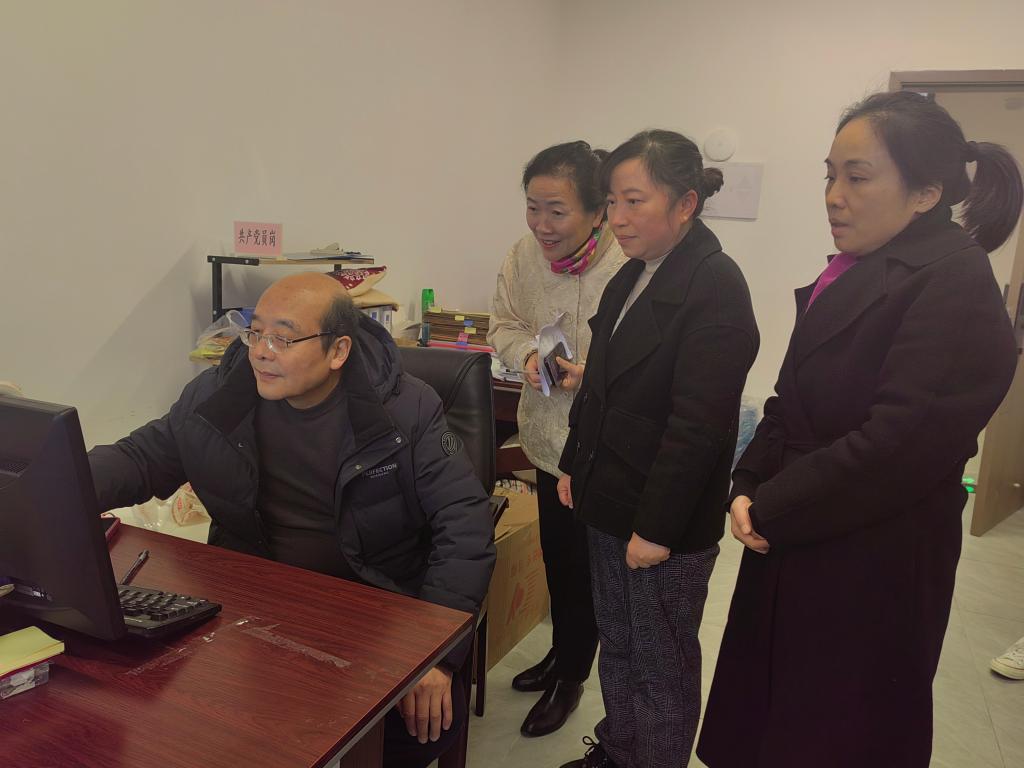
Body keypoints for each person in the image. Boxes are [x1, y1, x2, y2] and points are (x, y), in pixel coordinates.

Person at [697, 91, 1023, 768]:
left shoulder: (954, 282)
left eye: (858, 177)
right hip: (803, 521)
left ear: (926, 193)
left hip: (872, 554)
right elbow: (790, 397)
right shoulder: (854, 265)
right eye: (830, 174)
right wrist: (747, 478)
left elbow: (895, 444)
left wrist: (772, 503)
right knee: (772, 714)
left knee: (835, 729)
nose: (833, 196)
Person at [88, 272, 496, 768]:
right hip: (250, 600)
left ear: (338, 351)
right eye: (255, 333)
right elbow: (140, 457)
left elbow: (465, 521)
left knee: (408, 734)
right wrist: (58, 483)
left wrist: (436, 654)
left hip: (372, 608)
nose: (262, 352)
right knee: (162, 709)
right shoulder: (220, 395)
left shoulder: (405, 410)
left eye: (283, 338)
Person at [557, 130, 759, 768]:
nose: (616, 218)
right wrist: (572, 467)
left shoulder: (714, 284)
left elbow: (699, 426)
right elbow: (599, 383)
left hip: (659, 522)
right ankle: (620, 751)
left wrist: (656, 529)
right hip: (609, 499)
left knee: (660, 666)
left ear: (685, 203)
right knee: (618, 646)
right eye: (612, 201)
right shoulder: (634, 274)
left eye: (634, 201)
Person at [489, 140, 627, 737]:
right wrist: (526, 354)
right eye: (533, 207)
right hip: (548, 439)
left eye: (557, 211)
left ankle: (572, 676)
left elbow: (644, 362)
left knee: (590, 567)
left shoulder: (626, 264)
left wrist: (589, 373)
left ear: (597, 212)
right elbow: (503, 322)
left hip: (602, 449)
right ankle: (560, 655)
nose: (541, 226)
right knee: (559, 558)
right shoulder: (523, 256)